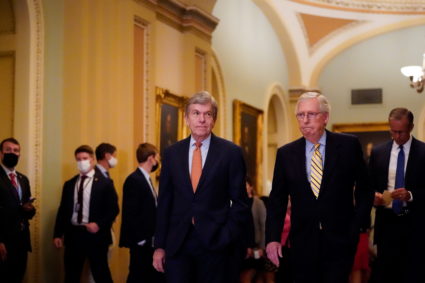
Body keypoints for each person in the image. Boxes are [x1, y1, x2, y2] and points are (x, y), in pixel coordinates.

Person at [266, 92, 373, 282]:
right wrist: (273, 238)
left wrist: (356, 227)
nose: (305, 120)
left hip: (341, 240)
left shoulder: (348, 146)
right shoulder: (286, 154)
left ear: (325, 117)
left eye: (312, 114)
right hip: (302, 242)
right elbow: (277, 200)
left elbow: (365, 189)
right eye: (300, 115)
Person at [152, 91, 249, 283]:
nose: (202, 119)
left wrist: (227, 235)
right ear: (187, 118)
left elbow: (241, 203)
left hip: (216, 243)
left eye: (208, 114)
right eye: (196, 113)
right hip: (178, 243)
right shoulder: (172, 153)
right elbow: (165, 202)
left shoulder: (230, 153)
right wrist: (160, 246)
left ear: (214, 119)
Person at [369, 107, 425, 282]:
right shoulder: (378, 152)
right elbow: (368, 186)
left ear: (411, 127)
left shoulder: (423, 152)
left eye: (401, 132)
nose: (397, 136)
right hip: (387, 222)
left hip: (415, 223)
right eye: (393, 131)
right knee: (386, 274)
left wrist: (410, 195)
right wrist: (375, 197)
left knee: (413, 273)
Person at [53, 145, 119, 283]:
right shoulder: (70, 184)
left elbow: (113, 209)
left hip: (96, 236)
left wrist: (99, 224)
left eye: (85, 158)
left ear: (92, 160)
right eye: (78, 159)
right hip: (74, 235)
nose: (81, 162)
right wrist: (58, 234)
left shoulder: (105, 183)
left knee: (101, 274)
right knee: (71, 275)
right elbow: (63, 209)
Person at [119, 143, 165, 283]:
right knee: (137, 276)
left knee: (148, 276)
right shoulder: (134, 179)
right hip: (141, 242)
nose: (158, 161)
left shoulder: (146, 178)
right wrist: (141, 239)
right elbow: (131, 213)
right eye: (157, 157)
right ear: (150, 158)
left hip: (149, 240)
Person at [0, 138, 36, 282]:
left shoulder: (23, 179)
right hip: (3, 240)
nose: (12, 153)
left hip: (21, 240)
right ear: (1, 153)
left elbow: (26, 210)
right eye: (8, 150)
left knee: (18, 276)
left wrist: (30, 209)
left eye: (16, 151)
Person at [240, 176, 269, 283]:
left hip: (257, 247)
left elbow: (263, 226)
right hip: (244, 247)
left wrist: (262, 247)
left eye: (245, 185)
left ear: (251, 187)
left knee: (256, 277)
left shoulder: (258, 203)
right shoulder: (238, 203)